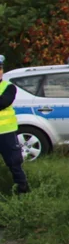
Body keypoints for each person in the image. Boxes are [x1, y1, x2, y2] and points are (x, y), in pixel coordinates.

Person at [0, 55, 29, 195]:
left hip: (6, 133)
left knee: (14, 163)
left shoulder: (9, 87)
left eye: (0, 69)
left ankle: (22, 190)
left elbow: (3, 103)